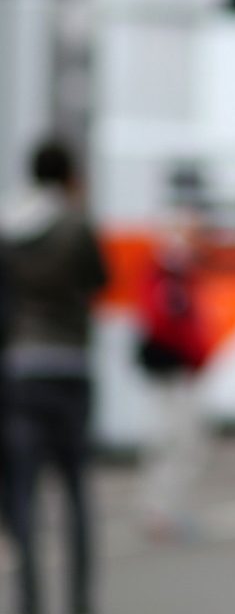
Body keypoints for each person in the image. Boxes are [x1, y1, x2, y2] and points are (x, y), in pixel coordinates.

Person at [0, 141, 108, 614]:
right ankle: (80, 599)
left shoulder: (8, 227)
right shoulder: (75, 224)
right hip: (70, 364)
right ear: (68, 175)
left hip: (22, 366)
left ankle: (28, 600)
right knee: (76, 491)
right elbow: (99, 279)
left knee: (23, 494)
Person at [135, 211, 213, 541]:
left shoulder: (181, 279)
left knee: (182, 442)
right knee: (174, 440)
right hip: (173, 372)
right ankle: (161, 511)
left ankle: (167, 509)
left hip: (182, 371)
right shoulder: (166, 279)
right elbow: (169, 328)